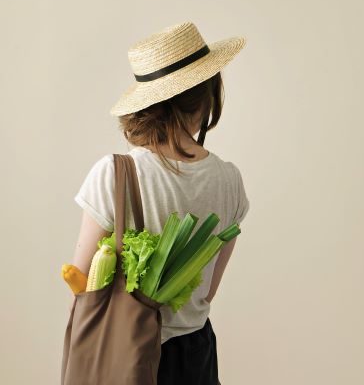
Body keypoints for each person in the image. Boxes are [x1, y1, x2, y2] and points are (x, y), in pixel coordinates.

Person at [70, 21, 249, 385]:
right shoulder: (229, 180)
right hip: (195, 352)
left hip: (125, 352)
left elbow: (82, 277)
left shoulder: (115, 173)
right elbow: (208, 288)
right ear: (209, 95)